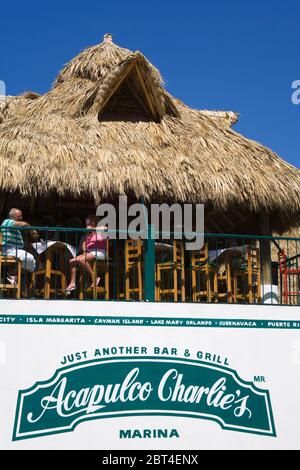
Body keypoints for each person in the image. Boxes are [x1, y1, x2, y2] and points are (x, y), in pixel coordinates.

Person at [66, 215, 107, 293]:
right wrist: (85, 247)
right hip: (90, 252)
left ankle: (93, 277)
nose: (87, 223)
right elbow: (84, 244)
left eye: (89, 221)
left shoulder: (101, 229)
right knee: (72, 261)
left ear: (94, 221)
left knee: (82, 260)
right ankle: (73, 283)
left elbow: (106, 229)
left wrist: (92, 229)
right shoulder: (89, 234)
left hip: (100, 251)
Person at [1, 208, 37, 281]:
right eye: (19, 216)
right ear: (12, 216)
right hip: (8, 250)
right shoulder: (7, 221)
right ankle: (11, 273)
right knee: (29, 258)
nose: (21, 218)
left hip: (14, 250)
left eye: (21, 216)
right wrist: (31, 230)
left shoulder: (15, 227)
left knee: (32, 263)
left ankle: (13, 275)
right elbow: (24, 224)